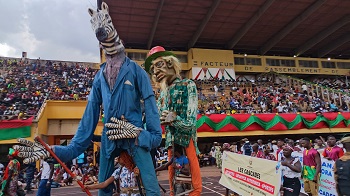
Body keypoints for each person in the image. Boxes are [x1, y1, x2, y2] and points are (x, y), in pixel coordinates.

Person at [14, 2, 162, 196]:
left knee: (152, 190)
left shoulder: (137, 72)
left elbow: (156, 137)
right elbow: (80, 141)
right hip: (109, 141)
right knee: (104, 192)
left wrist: (136, 133)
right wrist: (50, 151)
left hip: (135, 140)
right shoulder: (99, 78)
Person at [144, 45, 202, 195]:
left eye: (159, 65)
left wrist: (173, 120)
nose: (155, 71)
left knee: (194, 187)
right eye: (152, 69)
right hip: (171, 145)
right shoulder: (162, 95)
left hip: (187, 142)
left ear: (170, 63)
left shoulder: (188, 85)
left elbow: (190, 124)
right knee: (171, 187)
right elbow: (152, 122)